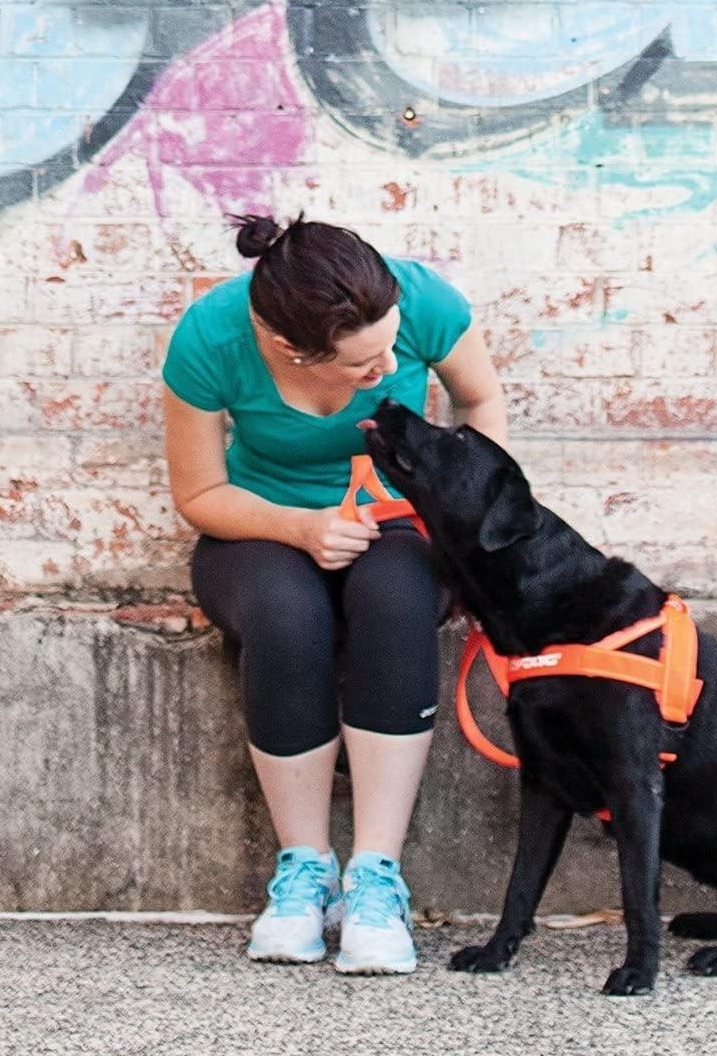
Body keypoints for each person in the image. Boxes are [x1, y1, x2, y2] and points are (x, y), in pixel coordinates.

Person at [162, 214, 507, 974]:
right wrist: (299, 527)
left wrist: (475, 528)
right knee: (287, 619)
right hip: (258, 522)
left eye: (392, 347)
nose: (386, 368)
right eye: (362, 363)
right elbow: (200, 491)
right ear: (292, 350)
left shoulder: (420, 298)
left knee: (395, 601)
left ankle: (376, 877)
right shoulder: (211, 336)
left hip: (399, 518)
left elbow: (481, 403)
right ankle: (304, 870)